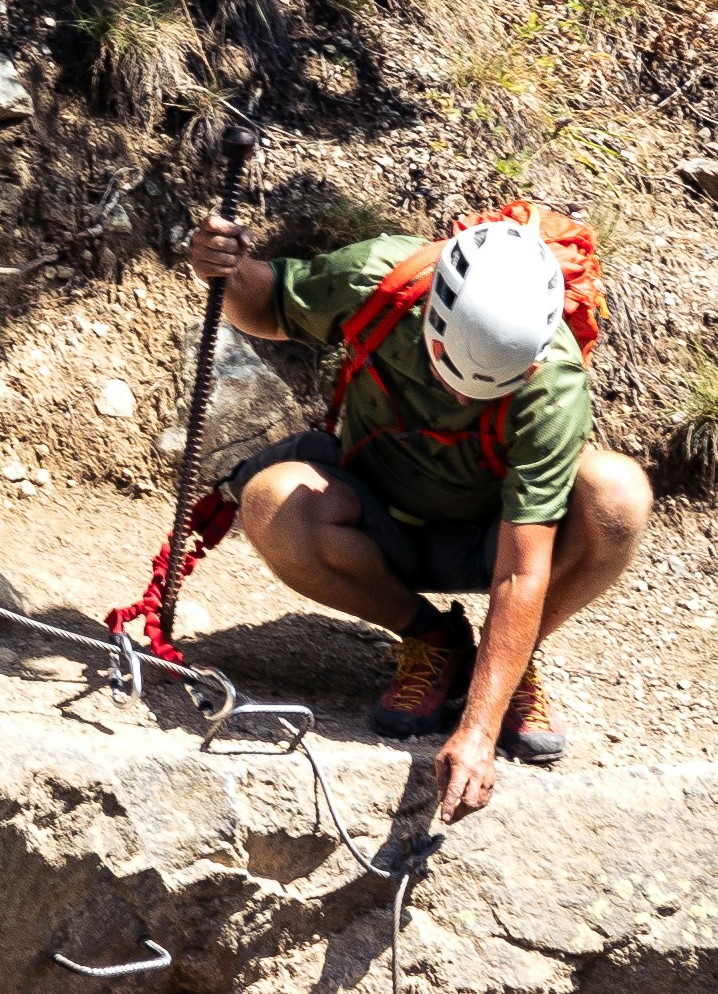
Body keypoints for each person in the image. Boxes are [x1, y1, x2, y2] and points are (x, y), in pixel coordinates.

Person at [189, 206, 652, 819]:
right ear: (432, 321)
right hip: (380, 522)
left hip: (495, 541)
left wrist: (478, 736)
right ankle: (433, 640)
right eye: (451, 373)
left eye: (487, 387)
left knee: (618, 494)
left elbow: (520, 571)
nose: (461, 399)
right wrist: (229, 270)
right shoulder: (381, 281)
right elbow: (268, 306)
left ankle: (506, 667)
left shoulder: (554, 383)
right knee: (272, 500)